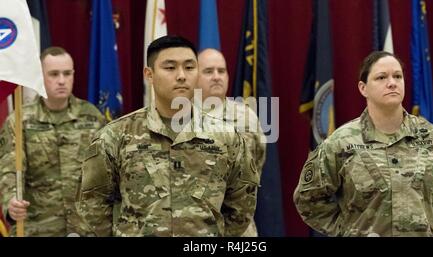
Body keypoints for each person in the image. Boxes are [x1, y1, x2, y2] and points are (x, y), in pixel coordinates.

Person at [75, 35, 259, 236]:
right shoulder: (115, 136)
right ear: (149, 74)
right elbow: (92, 206)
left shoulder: (226, 138)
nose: (181, 76)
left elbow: (242, 206)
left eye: (189, 67)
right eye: (170, 68)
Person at [293, 51, 433, 237]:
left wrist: (426, 225)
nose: (392, 82)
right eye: (381, 77)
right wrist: (348, 230)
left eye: (398, 76)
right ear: (363, 88)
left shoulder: (432, 137)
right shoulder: (341, 142)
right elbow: (307, 199)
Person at [0, 47, 105, 236]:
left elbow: (106, 172)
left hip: (84, 226)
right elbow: (10, 169)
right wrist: (12, 202)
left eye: (67, 73)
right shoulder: (20, 120)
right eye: (54, 74)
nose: (62, 81)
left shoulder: (92, 117)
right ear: (41, 76)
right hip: (38, 225)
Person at [197, 48, 266, 237]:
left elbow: (256, 164)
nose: (217, 77)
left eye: (222, 71)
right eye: (208, 71)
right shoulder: (181, 118)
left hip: (239, 229)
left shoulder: (246, 117)